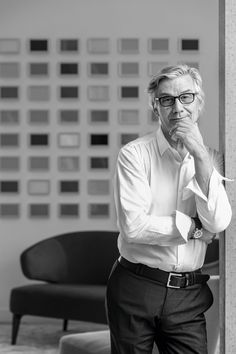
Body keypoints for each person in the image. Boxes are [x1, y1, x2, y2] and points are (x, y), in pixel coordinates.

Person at [106, 64, 232, 354]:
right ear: (156, 107)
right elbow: (134, 227)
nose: (177, 107)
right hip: (135, 285)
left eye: (186, 97)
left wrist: (200, 155)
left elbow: (219, 221)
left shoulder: (214, 158)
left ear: (199, 103)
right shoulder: (134, 154)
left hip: (187, 296)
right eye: (167, 99)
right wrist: (194, 227)